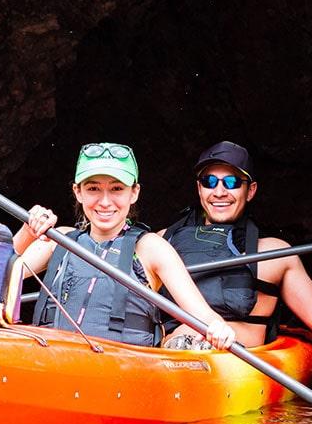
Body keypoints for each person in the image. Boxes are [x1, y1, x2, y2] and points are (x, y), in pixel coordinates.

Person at [14, 142, 238, 350]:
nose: (104, 201)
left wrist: (218, 327)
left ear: (134, 193)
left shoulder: (150, 248)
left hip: (124, 373)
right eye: (93, 189)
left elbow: (206, 317)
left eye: (116, 189)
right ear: (77, 192)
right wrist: (28, 231)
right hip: (54, 364)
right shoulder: (58, 240)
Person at [159, 140, 312, 349]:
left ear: (250, 190)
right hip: (172, 361)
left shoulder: (274, 253)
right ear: (199, 188)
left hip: (237, 366)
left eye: (231, 182)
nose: (219, 192)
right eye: (209, 181)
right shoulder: (163, 243)